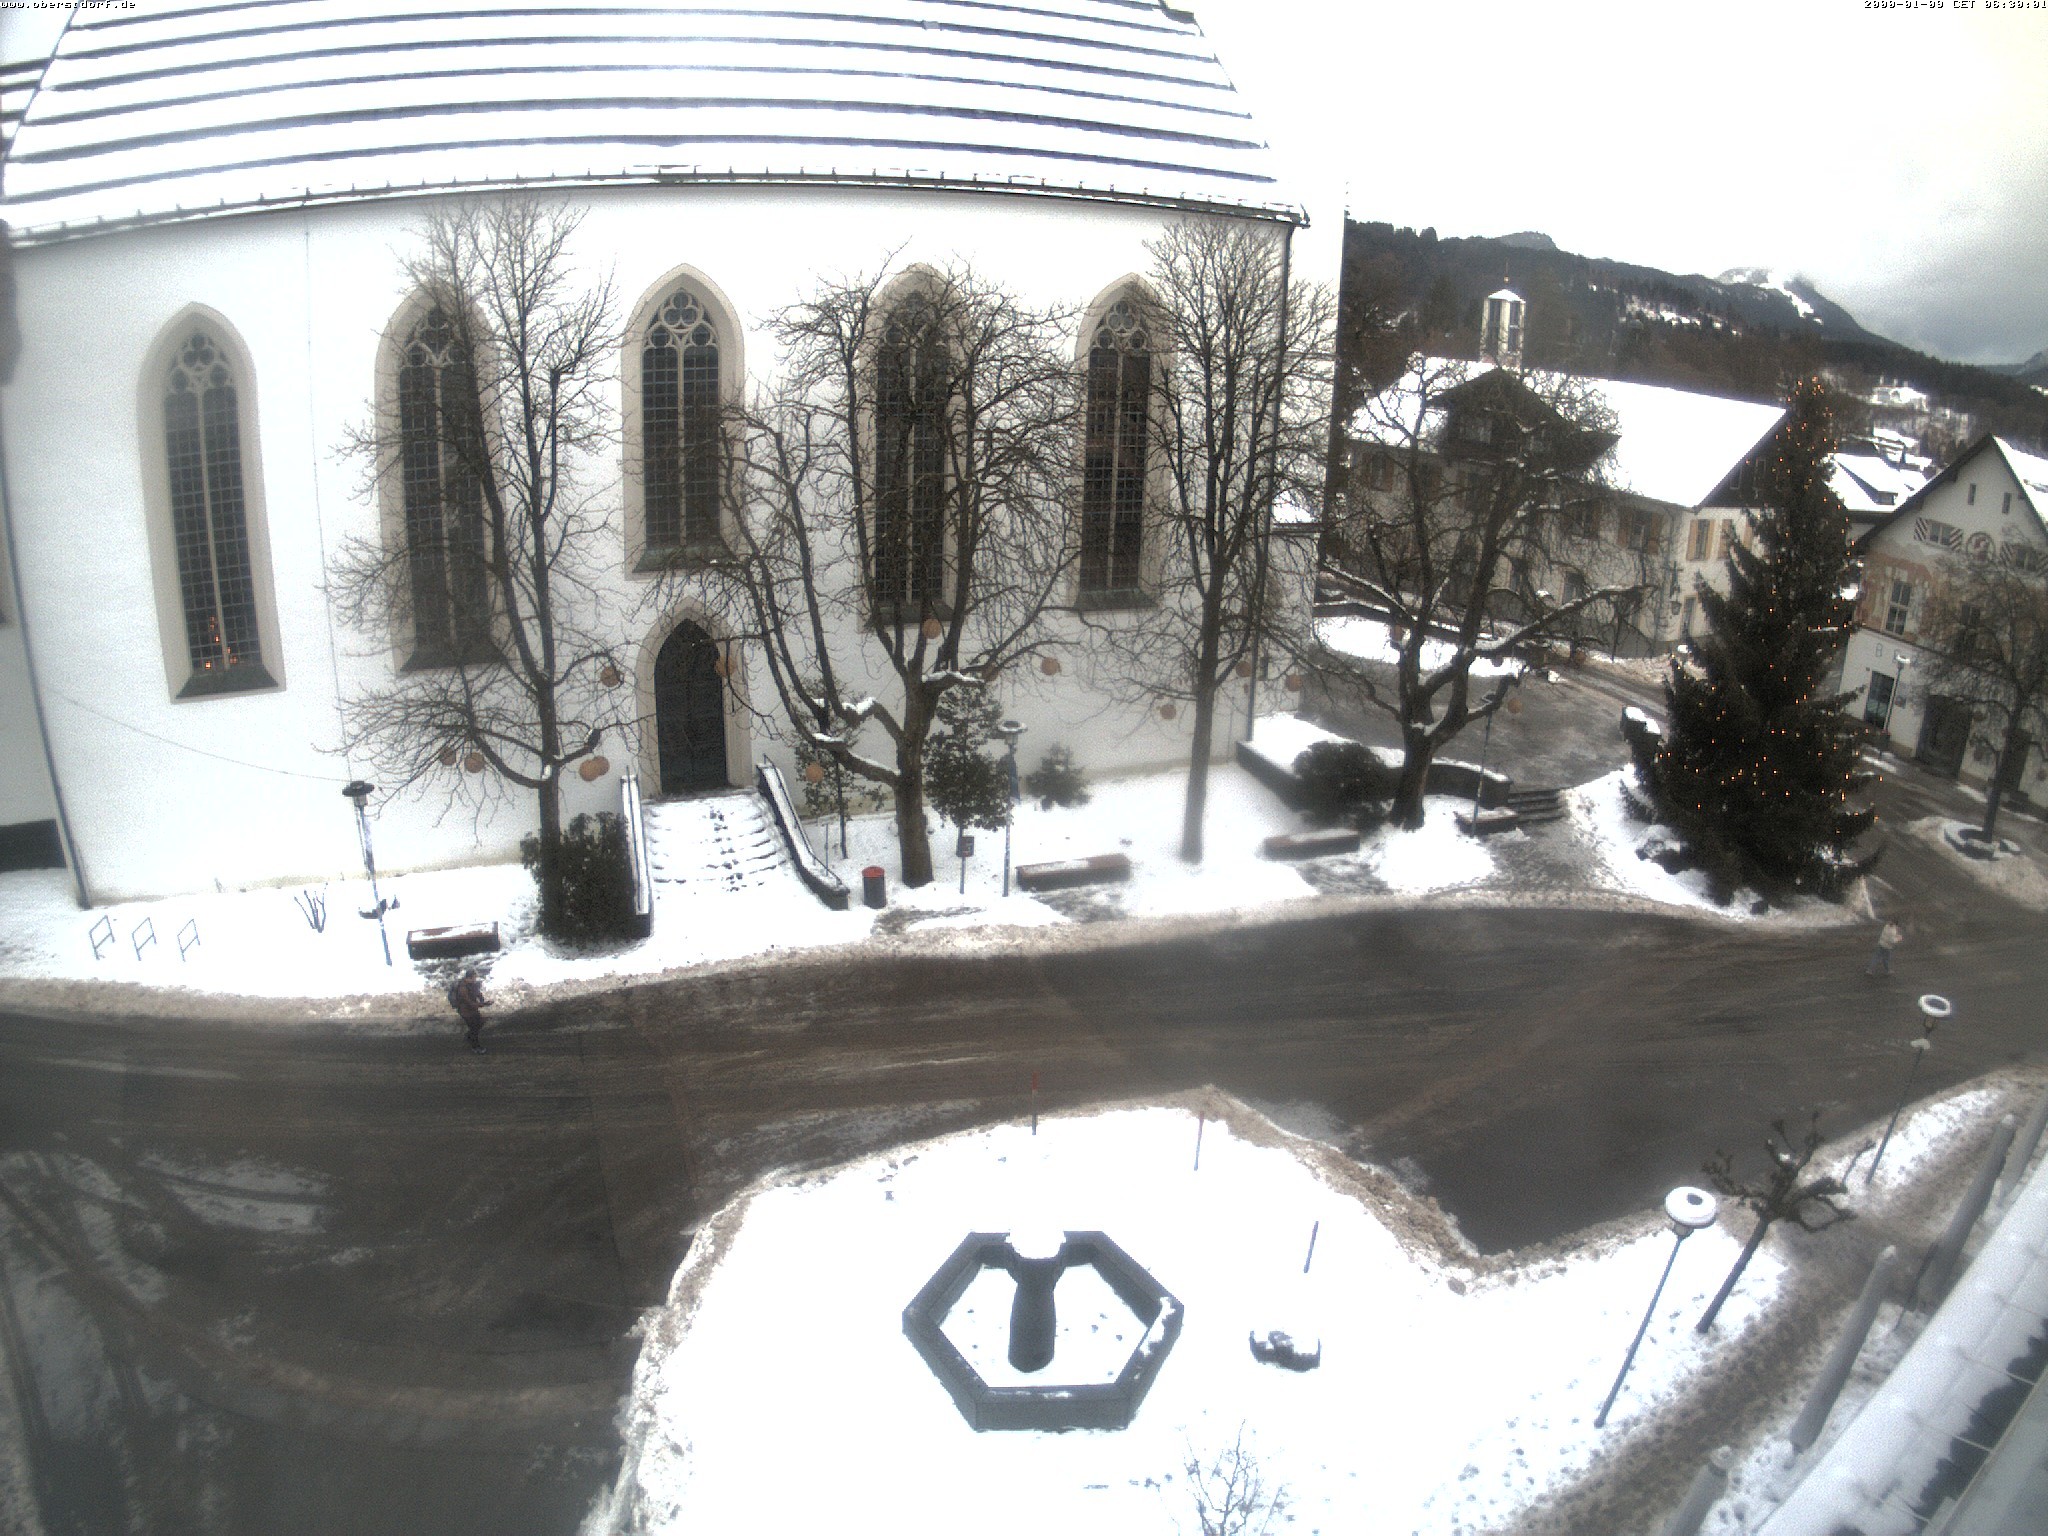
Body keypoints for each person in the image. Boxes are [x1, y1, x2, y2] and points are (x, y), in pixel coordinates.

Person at [449, 968, 489, 1053]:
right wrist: (484, 1004)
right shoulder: (462, 989)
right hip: (466, 1012)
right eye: (474, 977)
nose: (475, 979)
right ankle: (476, 1047)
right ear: (470, 977)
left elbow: (477, 992)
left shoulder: (471, 984)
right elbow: (469, 1003)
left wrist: (481, 999)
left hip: (473, 1010)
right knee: (474, 1028)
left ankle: (469, 1036)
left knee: (480, 1023)